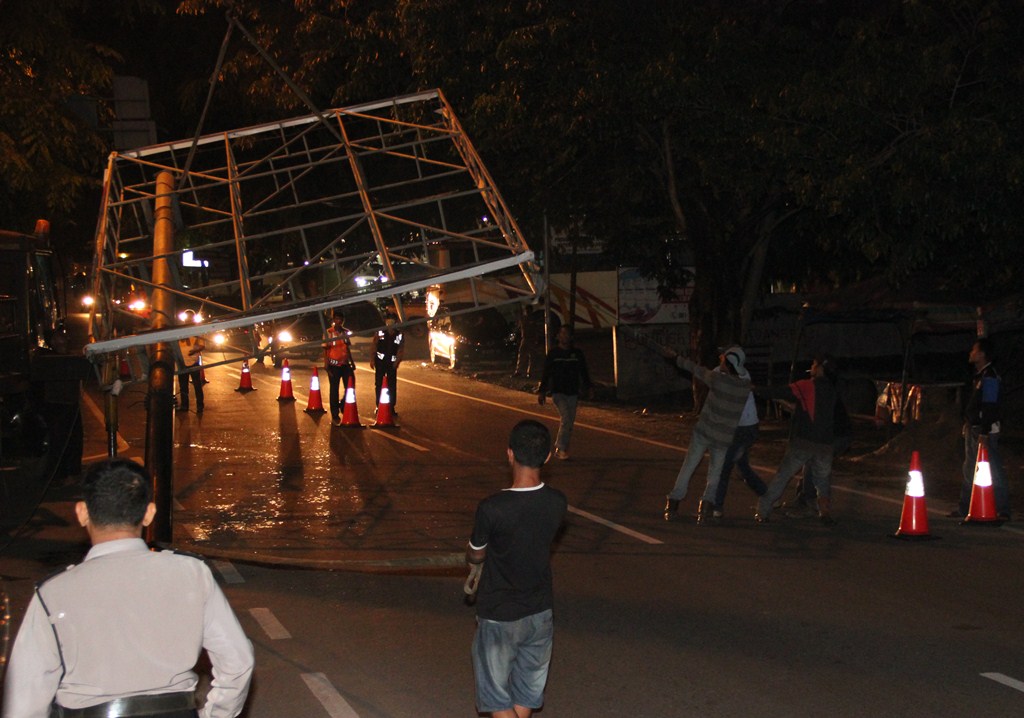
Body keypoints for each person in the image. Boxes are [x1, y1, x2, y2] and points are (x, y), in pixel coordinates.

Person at [2, 458, 254, 718]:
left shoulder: (53, 593)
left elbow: (25, 700)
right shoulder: (191, 573)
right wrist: (215, 714)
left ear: (82, 512)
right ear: (149, 514)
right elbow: (238, 662)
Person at [466, 420, 567, 718]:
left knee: (498, 700)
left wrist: (473, 558)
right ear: (547, 457)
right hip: (539, 613)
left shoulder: (492, 508)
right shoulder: (558, 502)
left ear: (509, 454)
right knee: (525, 693)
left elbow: (476, 554)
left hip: (499, 614)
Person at [662, 345, 751, 522]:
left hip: (703, 432)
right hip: (723, 438)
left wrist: (674, 358)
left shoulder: (717, 379)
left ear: (729, 364)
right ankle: (705, 507)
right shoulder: (744, 387)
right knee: (715, 474)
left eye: (724, 360)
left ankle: (673, 502)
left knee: (689, 466)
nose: (721, 361)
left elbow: (694, 368)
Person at [754, 354, 841, 525]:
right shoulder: (832, 390)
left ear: (821, 368)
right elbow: (814, 412)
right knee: (822, 481)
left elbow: (780, 391)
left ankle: (762, 511)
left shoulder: (807, 385)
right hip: (825, 444)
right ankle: (824, 512)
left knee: (783, 476)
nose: (812, 367)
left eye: (815, 364)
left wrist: (754, 388)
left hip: (803, 441)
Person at [953, 337, 1010, 519]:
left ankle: (1003, 509)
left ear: (983, 354)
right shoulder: (979, 376)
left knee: (992, 468)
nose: (971, 353)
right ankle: (965, 507)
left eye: (974, 350)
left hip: (984, 431)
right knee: (969, 468)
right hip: (974, 428)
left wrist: (984, 432)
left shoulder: (990, 376)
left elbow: (990, 406)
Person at [711, 370, 767, 518]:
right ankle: (767, 495)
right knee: (742, 467)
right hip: (735, 428)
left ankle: (717, 506)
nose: (721, 358)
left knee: (725, 466)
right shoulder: (720, 373)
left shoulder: (741, 375)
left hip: (744, 428)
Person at [537, 325, 591, 460]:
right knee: (566, 418)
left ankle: (563, 448)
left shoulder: (577, 354)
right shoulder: (553, 354)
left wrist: (589, 387)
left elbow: (583, 372)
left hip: (572, 392)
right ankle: (560, 448)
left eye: (567, 334)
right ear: (558, 336)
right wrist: (542, 391)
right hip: (558, 392)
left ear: (571, 337)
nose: (564, 336)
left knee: (569, 422)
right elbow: (546, 373)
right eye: (562, 333)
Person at [322, 310, 355, 426]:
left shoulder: (345, 332)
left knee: (350, 387)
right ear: (333, 320)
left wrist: (352, 362)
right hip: (333, 366)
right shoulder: (329, 333)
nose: (339, 322)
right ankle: (335, 413)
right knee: (334, 390)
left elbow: (347, 349)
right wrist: (326, 366)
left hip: (345, 365)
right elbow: (325, 350)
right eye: (336, 319)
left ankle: (343, 404)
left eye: (340, 320)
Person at [372, 312, 404, 415]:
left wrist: (397, 362)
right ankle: (378, 406)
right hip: (380, 362)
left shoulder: (399, 334)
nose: (390, 321)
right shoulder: (380, 332)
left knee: (392, 385)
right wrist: (372, 359)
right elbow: (374, 345)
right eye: (388, 319)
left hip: (391, 363)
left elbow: (400, 349)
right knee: (379, 384)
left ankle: (391, 407)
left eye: (392, 319)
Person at [176, 310, 205, 414]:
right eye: (187, 317)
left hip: (193, 361)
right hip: (181, 361)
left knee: (197, 385)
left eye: (190, 317)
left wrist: (194, 351)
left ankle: (200, 407)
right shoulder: (179, 329)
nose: (188, 319)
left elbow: (202, 345)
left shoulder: (197, 330)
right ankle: (184, 406)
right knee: (183, 386)